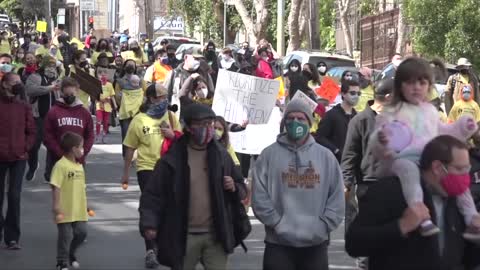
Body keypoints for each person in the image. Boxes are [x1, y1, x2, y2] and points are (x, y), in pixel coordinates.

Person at [369, 57, 480, 237]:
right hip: (400, 160)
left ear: (429, 85)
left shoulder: (429, 110)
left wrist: (461, 128)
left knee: (457, 176)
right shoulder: (391, 112)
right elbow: (376, 144)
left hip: (429, 159)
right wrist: (382, 140)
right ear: (400, 85)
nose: (416, 87)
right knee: (408, 170)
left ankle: (472, 219)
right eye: (410, 82)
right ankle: (419, 213)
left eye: (422, 82)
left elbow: (442, 133)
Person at [346, 135, 480, 270]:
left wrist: (476, 240)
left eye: (467, 169)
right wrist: (401, 226)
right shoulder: (390, 190)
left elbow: (464, 259)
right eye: (459, 169)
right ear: (437, 167)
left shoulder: (458, 200)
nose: (465, 176)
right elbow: (354, 244)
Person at [139, 103, 247, 270]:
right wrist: (149, 223)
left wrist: (234, 187)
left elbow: (241, 187)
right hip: (183, 236)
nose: (208, 129)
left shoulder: (221, 156)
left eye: (209, 124)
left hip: (215, 235)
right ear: (188, 127)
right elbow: (153, 194)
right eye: (201, 124)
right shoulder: (172, 159)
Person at [252, 98, 345, 270]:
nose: (295, 122)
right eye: (290, 118)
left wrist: (323, 225)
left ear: (309, 122)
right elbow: (259, 196)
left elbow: (337, 198)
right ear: (284, 122)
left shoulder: (326, 157)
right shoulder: (268, 155)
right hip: (278, 244)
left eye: (301, 119)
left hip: (315, 244)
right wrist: (277, 223)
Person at [122, 83, 181, 268]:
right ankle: (150, 250)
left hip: (169, 168)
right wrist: (125, 174)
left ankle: (163, 244)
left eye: (165, 97)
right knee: (150, 208)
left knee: (168, 207)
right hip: (147, 169)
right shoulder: (139, 120)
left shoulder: (171, 116)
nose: (164, 100)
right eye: (161, 97)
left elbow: (182, 140)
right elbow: (130, 148)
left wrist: (172, 134)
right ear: (151, 98)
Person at [341, 78, 393, 270]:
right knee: (368, 243)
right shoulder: (360, 121)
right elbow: (349, 157)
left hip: (395, 187)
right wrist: (346, 185)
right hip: (368, 188)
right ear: (389, 97)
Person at [0, 73, 35, 250]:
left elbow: (31, 131)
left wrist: (25, 148)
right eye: (15, 83)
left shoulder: (23, 106)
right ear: (5, 85)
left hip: (19, 158)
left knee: (14, 196)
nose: (18, 86)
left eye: (19, 83)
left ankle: (12, 237)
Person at [43, 77, 94, 182]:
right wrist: (59, 152)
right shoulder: (54, 111)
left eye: (72, 95)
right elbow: (47, 135)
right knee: (59, 191)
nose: (69, 97)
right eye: (66, 95)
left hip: (78, 159)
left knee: (76, 191)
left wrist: (83, 151)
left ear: (77, 92)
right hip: (57, 159)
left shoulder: (84, 113)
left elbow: (90, 135)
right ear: (61, 93)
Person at [50, 132, 88, 270]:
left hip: (79, 209)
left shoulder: (80, 166)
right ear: (73, 149)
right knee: (65, 237)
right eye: (81, 147)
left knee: (82, 233)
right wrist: (56, 206)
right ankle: (61, 261)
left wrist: (86, 205)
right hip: (64, 209)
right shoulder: (61, 166)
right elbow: (56, 186)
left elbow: (81, 189)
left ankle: (71, 253)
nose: (83, 150)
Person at [24, 56, 61, 181]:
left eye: (53, 66)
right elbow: (30, 90)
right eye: (49, 65)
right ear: (44, 66)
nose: (52, 68)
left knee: (52, 146)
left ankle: (49, 173)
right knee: (33, 146)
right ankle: (33, 165)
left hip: (54, 119)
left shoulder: (58, 79)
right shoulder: (35, 77)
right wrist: (49, 88)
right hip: (38, 117)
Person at [315, 80, 360, 161]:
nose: (356, 96)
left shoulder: (357, 116)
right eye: (352, 93)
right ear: (343, 94)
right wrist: (336, 150)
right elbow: (319, 137)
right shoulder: (331, 115)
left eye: (358, 93)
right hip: (334, 162)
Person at [115, 59, 145, 157]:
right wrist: (126, 103)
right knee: (126, 134)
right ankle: (127, 156)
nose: (130, 66)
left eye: (133, 65)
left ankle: (137, 155)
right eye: (128, 65)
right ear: (124, 67)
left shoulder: (141, 81)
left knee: (139, 134)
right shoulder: (120, 82)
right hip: (125, 113)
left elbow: (146, 94)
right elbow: (117, 96)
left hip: (139, 112)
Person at [95, 67, 117, 143]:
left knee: (105, 122)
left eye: (105, 74)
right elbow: (94, 95)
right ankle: (97, 135)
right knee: (98, 120)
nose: (103, 76)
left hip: (107, 106)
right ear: (98, 75)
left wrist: (115, 104)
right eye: (100, 74)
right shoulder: (96, 84)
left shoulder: (110, 85)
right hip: (99, 105)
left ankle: (104, 136)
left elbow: (112, 95)